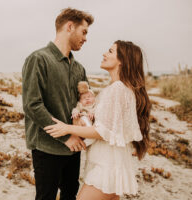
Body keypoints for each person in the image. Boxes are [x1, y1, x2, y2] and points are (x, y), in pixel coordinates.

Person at [44, 40, 152, 200]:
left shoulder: (117, 90)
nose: (104, 54)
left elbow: (102, 132)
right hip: (108, 163)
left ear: (121, 60)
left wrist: (67, 128)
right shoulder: (118, 89)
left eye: (110, 51)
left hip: (106, 167)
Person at [22, 8, 94, 200]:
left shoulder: (79, 68)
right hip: (47, 147)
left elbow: (84, 105)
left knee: (70, 195)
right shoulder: (38, 59)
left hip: (74, 147)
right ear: (70, 27)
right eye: (84, 32)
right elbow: (32, 105)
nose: (86, 38)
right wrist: (66, 138)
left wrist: (83, 128)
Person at [71, 81, 96, 146]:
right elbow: (76, 109)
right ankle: (88, 136)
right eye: (84, 98)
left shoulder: (95, 105)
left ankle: (90, 136)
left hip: (92, 122)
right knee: (83, 118)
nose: (87, 99)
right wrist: (75, 113)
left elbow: (97, 110)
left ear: (94, 98)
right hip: (83, 119)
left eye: (89, 96)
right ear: (80, 101)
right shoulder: (80, 105)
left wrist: (92, 112)